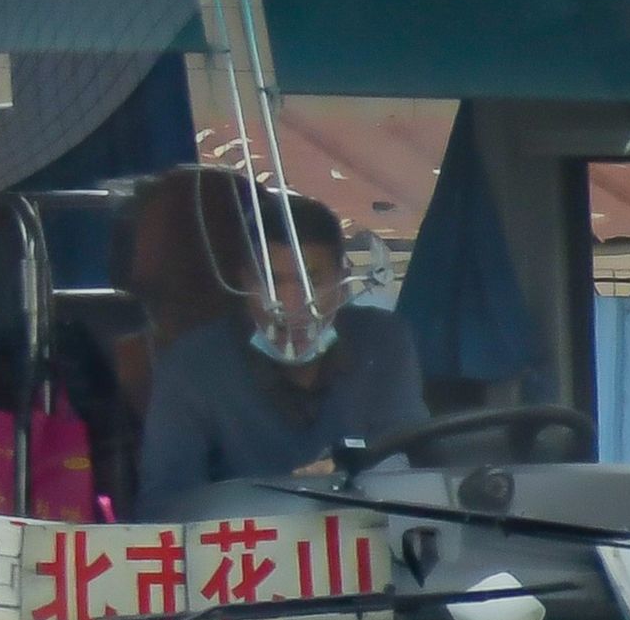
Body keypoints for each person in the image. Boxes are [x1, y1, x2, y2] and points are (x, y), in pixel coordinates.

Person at [131, 190, 425, 500]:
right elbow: (167, 504)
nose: (291, 304)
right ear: (244, 282)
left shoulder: (383, 342)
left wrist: (349, 475)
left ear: (343, 280)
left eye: (311, 282)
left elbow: (411, 460)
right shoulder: (192, 367)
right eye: (270, 283)